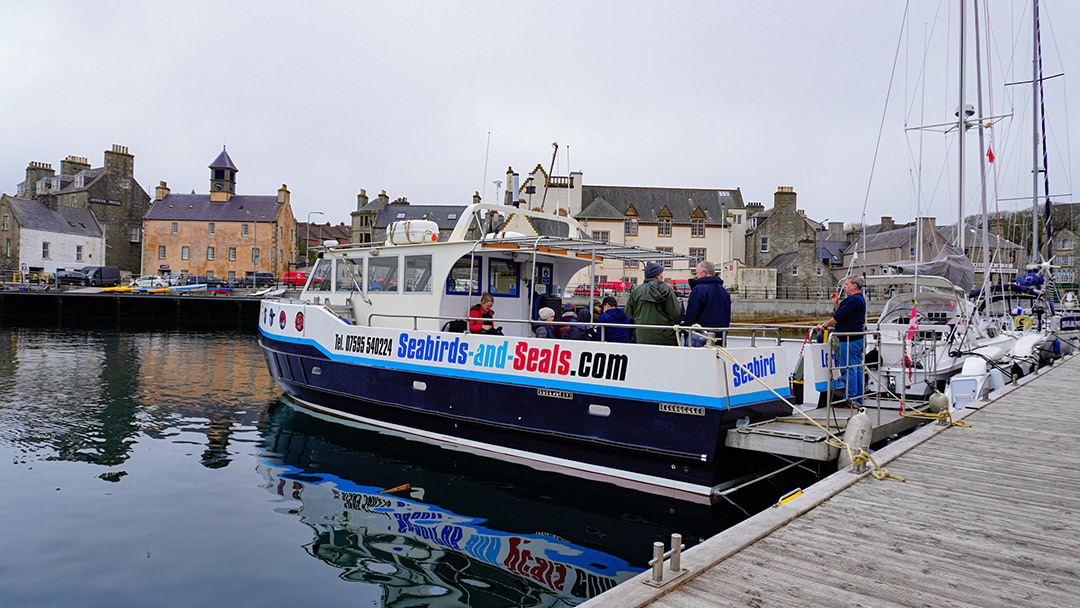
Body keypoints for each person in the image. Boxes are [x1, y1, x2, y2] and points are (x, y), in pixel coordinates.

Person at [815, 276, 866, 404]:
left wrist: (824, 326)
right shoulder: (859, 299)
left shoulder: (852, 300)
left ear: (854, 286)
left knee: (849, 369)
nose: (845, 287)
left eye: (847, 284)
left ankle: (850, 398)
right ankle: (857, 398)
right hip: (857, 338)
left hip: (849, 340)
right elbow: (845, 314)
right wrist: (836, 303)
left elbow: (839, 317)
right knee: (857, 368)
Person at [626, 261, 681, 345]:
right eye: (661, 274)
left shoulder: (636, 291)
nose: (662, 276)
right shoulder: (666, 289)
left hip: (642, 336)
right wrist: (678, 304)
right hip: (664, 336)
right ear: (656, 275)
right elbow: (675, 313)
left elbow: (628, 313)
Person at [681, 260, 731, 347]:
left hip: (700, 335)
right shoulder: (724, 291)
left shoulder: (699, 289)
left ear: (704, 273)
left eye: (697, 273)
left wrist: (685, 329)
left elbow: (692, 314)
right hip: (720, 336)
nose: (696, 276)